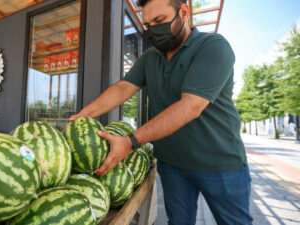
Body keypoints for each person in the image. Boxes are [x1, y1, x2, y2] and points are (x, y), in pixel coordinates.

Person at [69, 0, 253, 224]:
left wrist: (130, 141)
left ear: (184, 12)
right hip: (172, 165)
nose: (153, 30)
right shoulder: (150, 58)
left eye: (160, 21)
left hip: (219, 165)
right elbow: (122, 88)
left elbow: (190, 106)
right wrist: (82, 116)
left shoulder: (213, 46)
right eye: (148, 24)